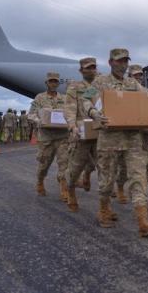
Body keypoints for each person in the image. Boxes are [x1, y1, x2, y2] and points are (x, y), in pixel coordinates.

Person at [82, 48, 148, 237]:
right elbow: (85, 101)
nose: (123, 64)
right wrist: (95, 114)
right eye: (119, 61)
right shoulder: (100, 82)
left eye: (126, 61)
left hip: (133, 139)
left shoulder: (132, 83)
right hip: (109, 138)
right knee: (107, 179)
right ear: (110, 63)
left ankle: (143, 222)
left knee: (137, 177)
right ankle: (104, 210)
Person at [63, 57, 99, 212]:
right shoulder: (75, 87)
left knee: (102, 166)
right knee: (76, 166)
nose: (91, 70)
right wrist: (72, 126)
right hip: (80, 130)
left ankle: (105, 207)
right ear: (81, 71)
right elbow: (70, 108)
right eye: (87, 68)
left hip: (99, 129)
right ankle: (70, 190)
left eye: (93, 67)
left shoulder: (101, 86)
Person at [28, 72, 70, 202]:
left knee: (64, 164)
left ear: (58, 83)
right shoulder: (40, 98)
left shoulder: (64, 98)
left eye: (55, 81)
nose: (53, 84)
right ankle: (40, 181)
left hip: (63, 136)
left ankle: (64, 188)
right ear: (46, 83)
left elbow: (70, 113)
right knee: (44, 164)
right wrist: (38, 120)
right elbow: (30, 115)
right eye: (51, 81)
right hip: (46, 137)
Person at [128, 64, 148, 211]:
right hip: (131, 139)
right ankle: (138, 201)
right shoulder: (123, 94)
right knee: (136, 173)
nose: (138, 78)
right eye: (135, 75)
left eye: (140, 75)